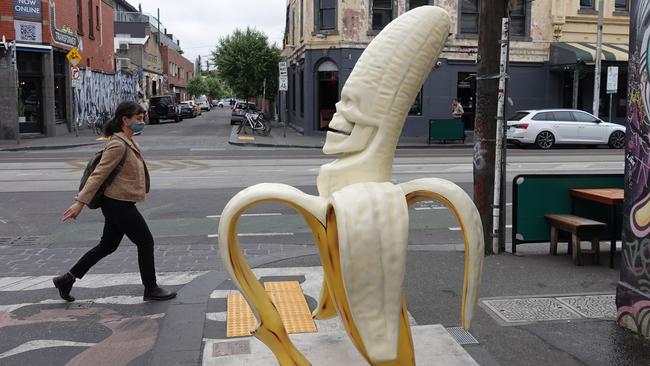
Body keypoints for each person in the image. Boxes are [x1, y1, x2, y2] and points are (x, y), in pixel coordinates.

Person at [53, 101, 176, 302]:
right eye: (138, 118)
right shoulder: (118, 144)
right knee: (145, 242)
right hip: (118, 204)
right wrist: (79, 203)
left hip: (119, 202)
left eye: (142, 117)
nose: (142, 121)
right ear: (124, 120)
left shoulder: (129, 140)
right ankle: (151, 288)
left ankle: (67, 279)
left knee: (107, 246)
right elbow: (98, 175)